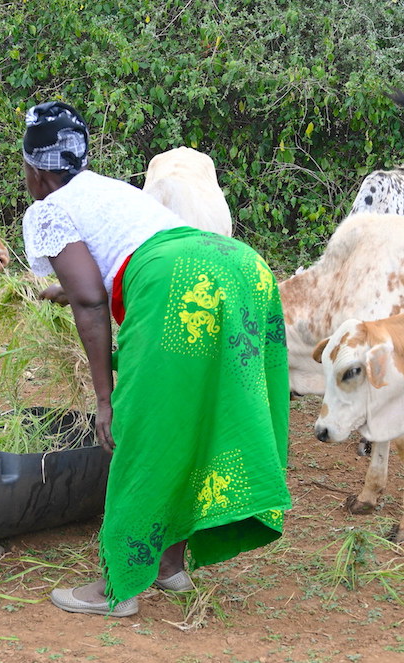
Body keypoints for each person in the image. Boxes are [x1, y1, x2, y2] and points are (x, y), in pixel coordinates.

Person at [20, 101, 291, 617]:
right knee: (195, 419)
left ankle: (116, 587)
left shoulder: (47, 210)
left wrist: (105, 398)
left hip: (179, 286)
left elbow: (91, 301)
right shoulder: (107, 189)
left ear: (35, 169)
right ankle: (170, 565)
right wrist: (67, 290)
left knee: (142, 431)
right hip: (243, 271)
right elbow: (122, 261)